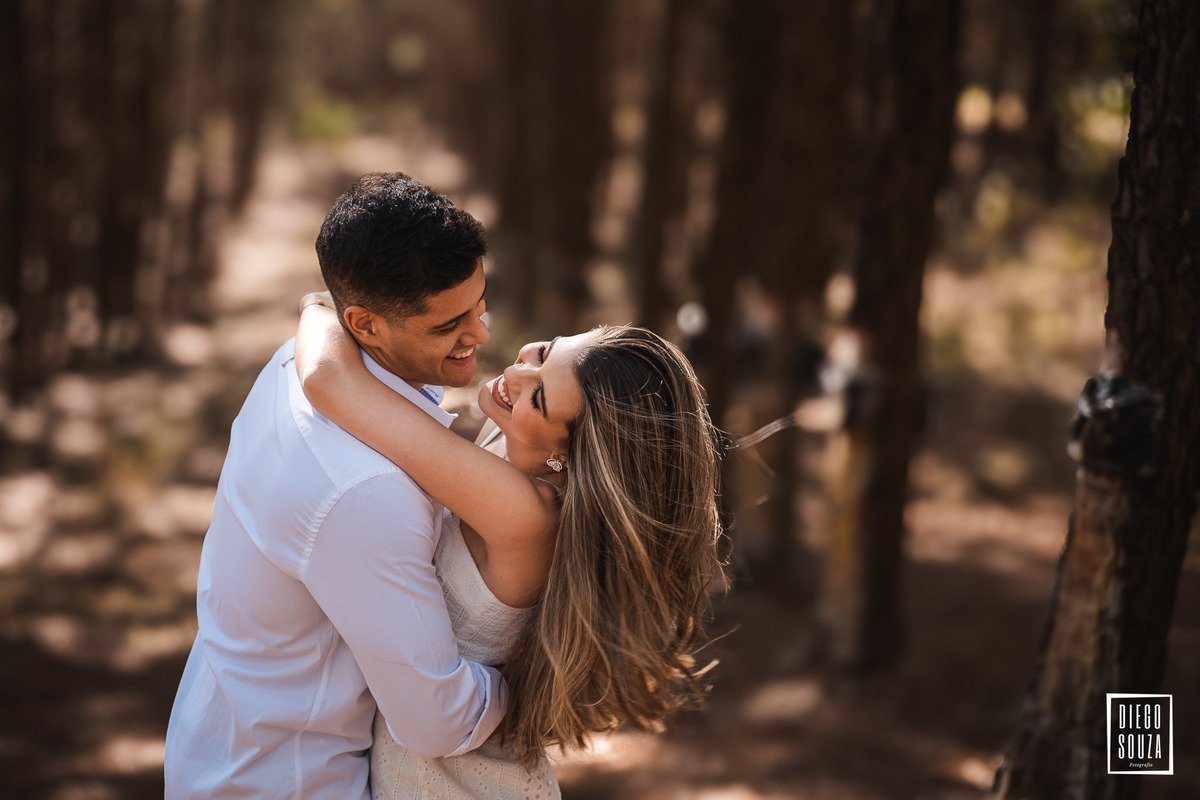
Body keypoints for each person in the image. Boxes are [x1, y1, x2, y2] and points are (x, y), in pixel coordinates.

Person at [294, 296, 727, 797]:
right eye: (544, 352)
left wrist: (320, 305)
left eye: (539, 398)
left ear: (566, 453)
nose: (518, 376)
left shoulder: (522, 512)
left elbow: (328, 381)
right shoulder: (511, 450)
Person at [165, 173, 505, 799]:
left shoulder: (292, 363)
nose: (480, 335)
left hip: (217, 748)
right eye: (448, 324)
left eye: (481, 306)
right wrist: (542, 684)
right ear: (365, 325)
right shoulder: (363, 492)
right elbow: (437, 721)